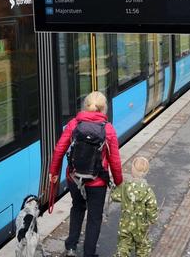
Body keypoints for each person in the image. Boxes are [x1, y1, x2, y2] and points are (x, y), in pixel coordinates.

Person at [49, 91, 123, 257]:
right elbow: (115, 161)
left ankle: (71, 247)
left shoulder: (73, 124)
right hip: (97, 182)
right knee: (94, 218)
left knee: (77, 208)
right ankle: (89, 253)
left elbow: (59, 149)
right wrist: (119, 182)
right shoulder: (108, 130)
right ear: (104, 109)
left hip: (75, 179)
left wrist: (54, 173)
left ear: (85, 106)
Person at [111, 156, 158, 257]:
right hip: (141, 225)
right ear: (146, 172)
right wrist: (152, 219)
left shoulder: (125, 186)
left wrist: (114, 188)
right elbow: (152, 206)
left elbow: (115, 196)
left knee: (123, 246)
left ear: (132, 170)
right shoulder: (148, 190)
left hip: (125, 224)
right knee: (143, 248)